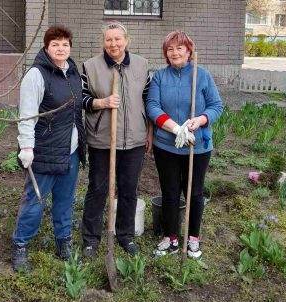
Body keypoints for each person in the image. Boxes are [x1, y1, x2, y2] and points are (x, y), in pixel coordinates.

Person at [12, 25, 86, 272]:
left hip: (70, 151)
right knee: (35, 200)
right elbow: (27, 115)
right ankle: (21, 244)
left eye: (65, 44)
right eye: (55, 44)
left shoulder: (73, 73)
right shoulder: (36, 74)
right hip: (43, 150)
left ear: (70, 47)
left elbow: (77, 112)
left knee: (65, 200)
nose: (61, 48)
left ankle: (63, 241)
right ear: (46, 47)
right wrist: (26, 147)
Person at [146, 31, 223, 259]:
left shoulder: (202, 76)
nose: (174, 53)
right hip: (166, 146)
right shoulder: (160, 77)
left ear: (189, 51)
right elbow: (152, 107)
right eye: (170, 49)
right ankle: (170, 237)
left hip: (197, 146)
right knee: (169, 192)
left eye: (179, 48)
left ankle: (193, 238)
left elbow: (216, 106)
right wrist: (175, 128)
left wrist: (199, 120)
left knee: (194, 192)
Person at [81, 21, 152, 257]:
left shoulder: (142, 65)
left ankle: (125, 235)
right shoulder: (90, 66)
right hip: (102, 140)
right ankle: (91, 239)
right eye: (108, 39)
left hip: (134, 140)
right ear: (103, 42)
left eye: (117, 39)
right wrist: (101, 102)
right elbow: (81, 99)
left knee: (129, 189)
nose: (113, 44)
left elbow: (148, 100)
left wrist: (148, 132)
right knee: (98, 189)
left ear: (126, 40)